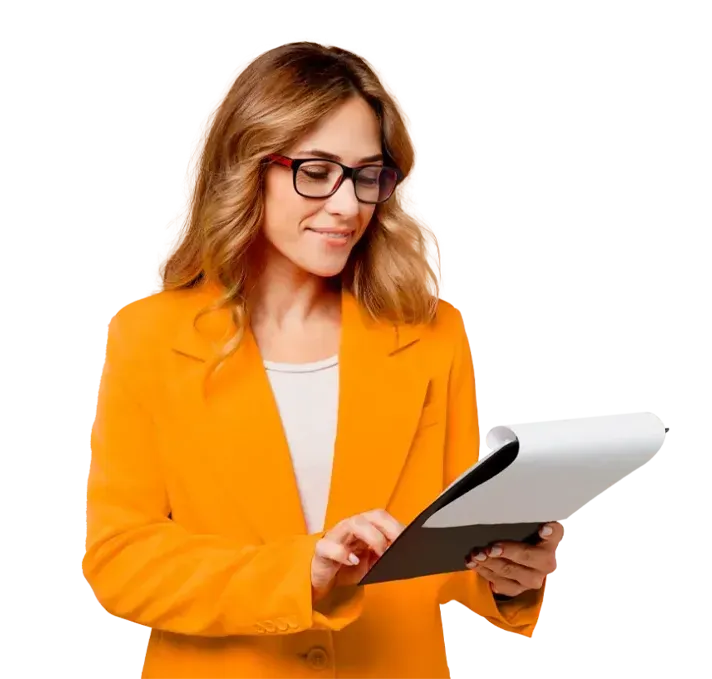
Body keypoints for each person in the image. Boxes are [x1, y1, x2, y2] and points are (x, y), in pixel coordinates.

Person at [81, 40, 562, 678]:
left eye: (367, 174)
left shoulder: (431, 333)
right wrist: (296, 573)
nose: (348, 204)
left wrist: (509, 574)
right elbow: (120, 560)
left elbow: (444, 551)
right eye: (316, 171)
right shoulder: (149, 336)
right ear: (248, 166)